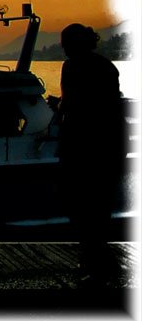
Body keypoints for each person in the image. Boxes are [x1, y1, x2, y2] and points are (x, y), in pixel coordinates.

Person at [56, 23, 124, 281]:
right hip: (106, 147)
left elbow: (73, 104)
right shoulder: (107, 67)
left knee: (83, 208)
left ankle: (95, 264)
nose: (63, 48)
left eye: (65, 43)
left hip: (84, 148)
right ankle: (98, 262)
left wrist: (60, 106)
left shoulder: (72, 67)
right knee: (98, 208)